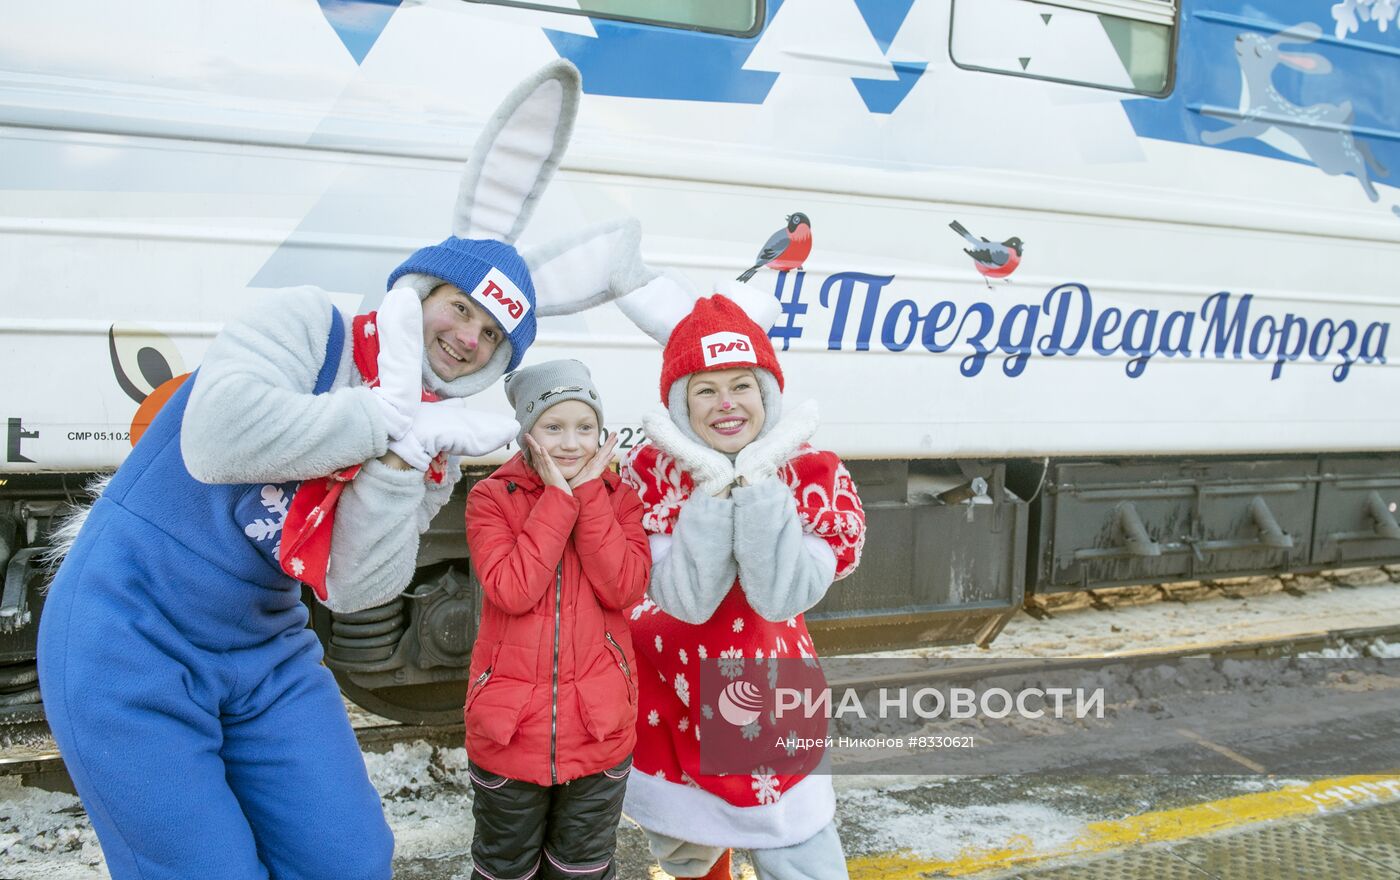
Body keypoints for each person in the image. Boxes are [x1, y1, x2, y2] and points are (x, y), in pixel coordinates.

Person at [36, 59, 660, 880]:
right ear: (423, 287)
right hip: (128, 632)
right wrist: (381, 416)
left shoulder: (432, 445)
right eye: (460, 306)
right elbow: (214, 441)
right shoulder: (309, 324)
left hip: (262, 645)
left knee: (351, 856)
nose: (466, 335)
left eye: (490, 337)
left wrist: (403, 456)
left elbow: (355, 589)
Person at [615, 284, 867, 880]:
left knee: (797, 848)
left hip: (766, 688)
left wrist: (756, 490)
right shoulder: (649, 477)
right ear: (680, 403)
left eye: (741, 385)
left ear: (767, 393)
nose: (725, 404)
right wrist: (710, 487)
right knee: (688, 848)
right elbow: (687, 600)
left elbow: (782, 595)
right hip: (666, 691)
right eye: (704, 389)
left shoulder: (811, 474)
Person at [463, 359, 650, 880]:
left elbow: (624, 587)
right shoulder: (491, 498)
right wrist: (558, 501)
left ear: (601, 433)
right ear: (527, 432)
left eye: (585, 428)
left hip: (599, 731)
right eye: (554, 427)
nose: (572, 444)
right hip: (509, 734)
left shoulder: (620, 500)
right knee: (505, 869)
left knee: (581, 869)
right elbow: (511, 589)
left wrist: (589, 498)